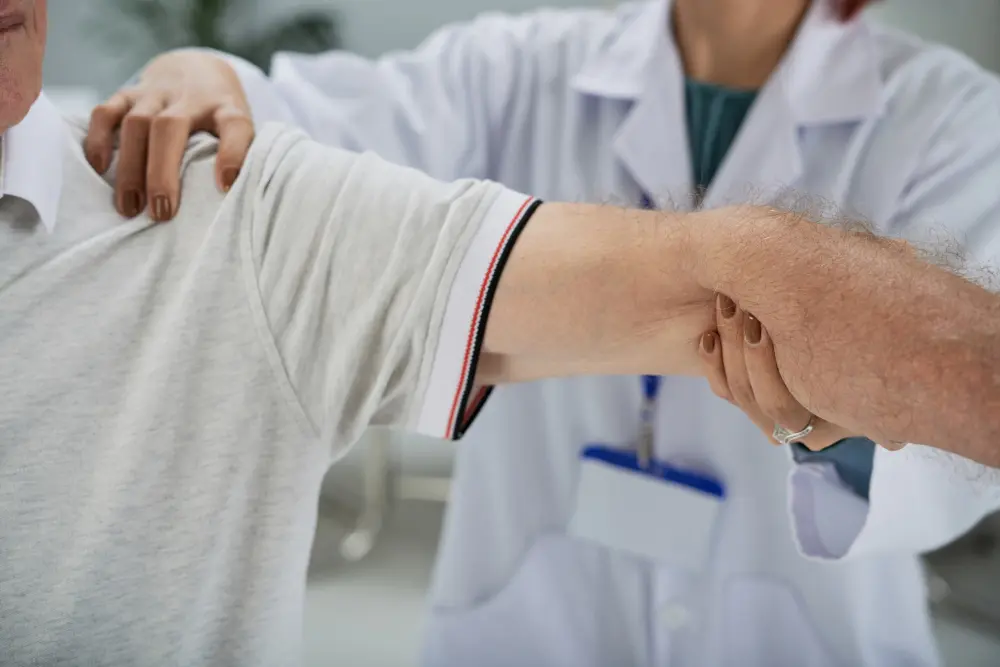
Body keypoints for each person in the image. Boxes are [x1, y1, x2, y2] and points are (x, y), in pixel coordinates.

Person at [86, 0, 1000, 665]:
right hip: (528, 614)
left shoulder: (948, 115)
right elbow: (297, 142)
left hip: (808, 627)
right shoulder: (515, 65)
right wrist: (212, 75)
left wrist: (844, 422)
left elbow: (962, 414)